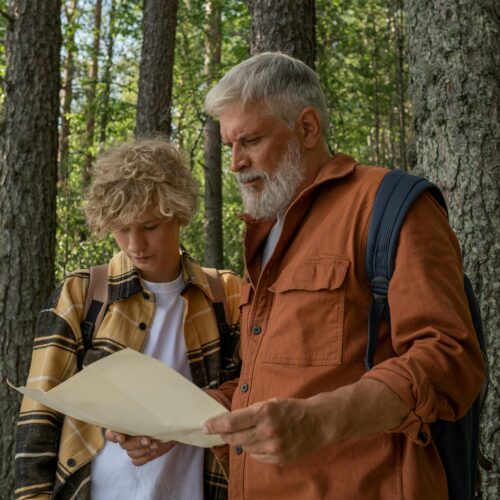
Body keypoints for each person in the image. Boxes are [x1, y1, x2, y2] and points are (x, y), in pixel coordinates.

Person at [196, 52, 485, 498]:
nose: (235, 162)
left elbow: (450, 357)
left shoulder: (388, 206)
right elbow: (268, 383)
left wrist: (318, 421)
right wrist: (176, 424)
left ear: (307, 128)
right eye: (229, 146)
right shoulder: (266, 233)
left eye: (250, 140)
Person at [14, 138, 241, 500]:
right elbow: (38, 421)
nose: (135, 244)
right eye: (121, 228)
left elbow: (253, 398)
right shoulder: (81, 295)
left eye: (149, 227)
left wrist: (180, 424)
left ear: (178, 214)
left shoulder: (225, 295)